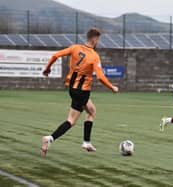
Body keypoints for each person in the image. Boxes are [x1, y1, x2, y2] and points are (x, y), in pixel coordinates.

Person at [40, 28, 119, 157]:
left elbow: (55, 55)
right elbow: (100, 76)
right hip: (82, 91)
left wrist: (47, 69)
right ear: (94, 39)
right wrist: (112, 87)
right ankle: (49, 139)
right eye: (98, 39)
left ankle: (86, 142)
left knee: (92, 111)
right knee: (71, 120)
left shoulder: (75, 48)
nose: (98, 42)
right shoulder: (94, 56)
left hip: (72, 88)